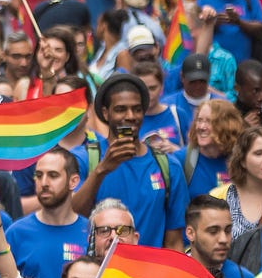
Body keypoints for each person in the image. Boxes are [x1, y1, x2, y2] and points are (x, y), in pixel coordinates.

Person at [71, 73, 190, 250]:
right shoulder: (84, 158)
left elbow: (173, 241)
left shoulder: (168, 166)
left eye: (137, 109)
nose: (130, 116)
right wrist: (101, 170)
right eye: (120, 109)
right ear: (106, 113)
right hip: (98, 272)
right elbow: (73, 213)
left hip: (148, 273)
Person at [5, 149, 90, 278]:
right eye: (38, 175)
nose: (44, 183)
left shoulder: (90, 232)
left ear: (73, 181)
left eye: (53, 175)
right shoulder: (17, 233)